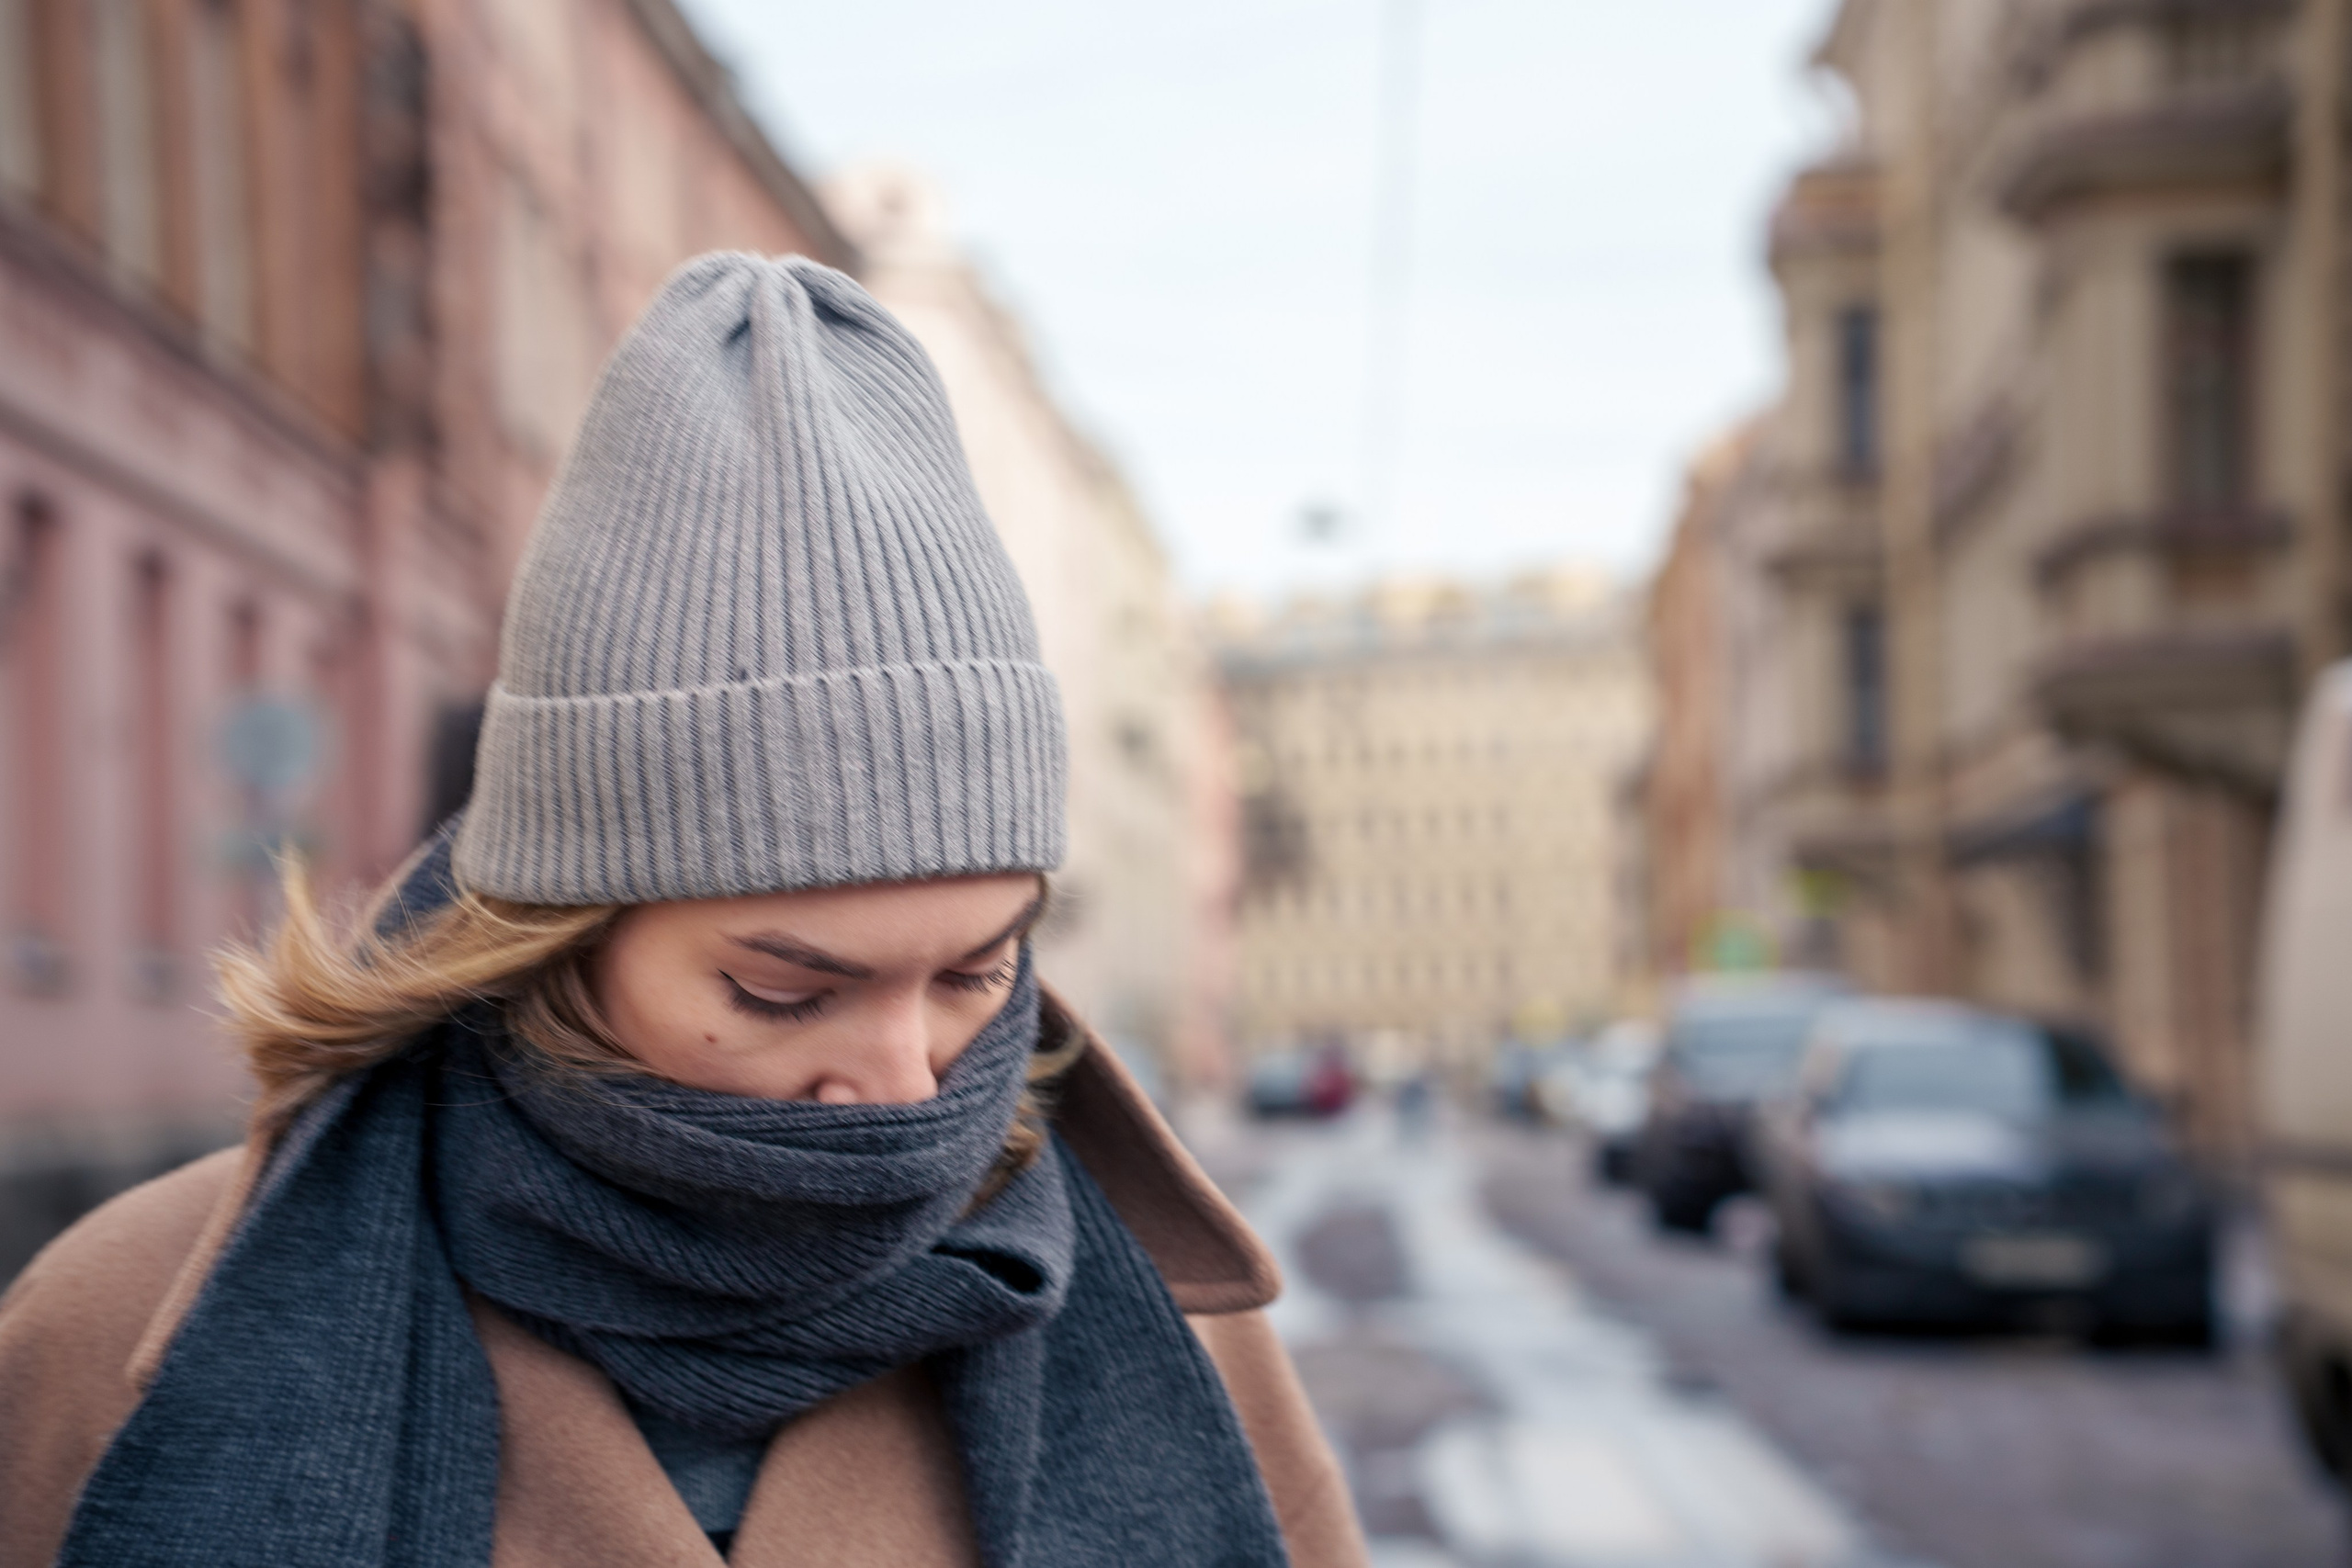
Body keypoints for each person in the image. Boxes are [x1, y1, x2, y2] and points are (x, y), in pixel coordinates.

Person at [0, 255, 1364, 1568]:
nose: (901, 1088)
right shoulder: (118, 1333)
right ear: (558, 944)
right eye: (784, 991)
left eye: (974, 974)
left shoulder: (1174, 1332)